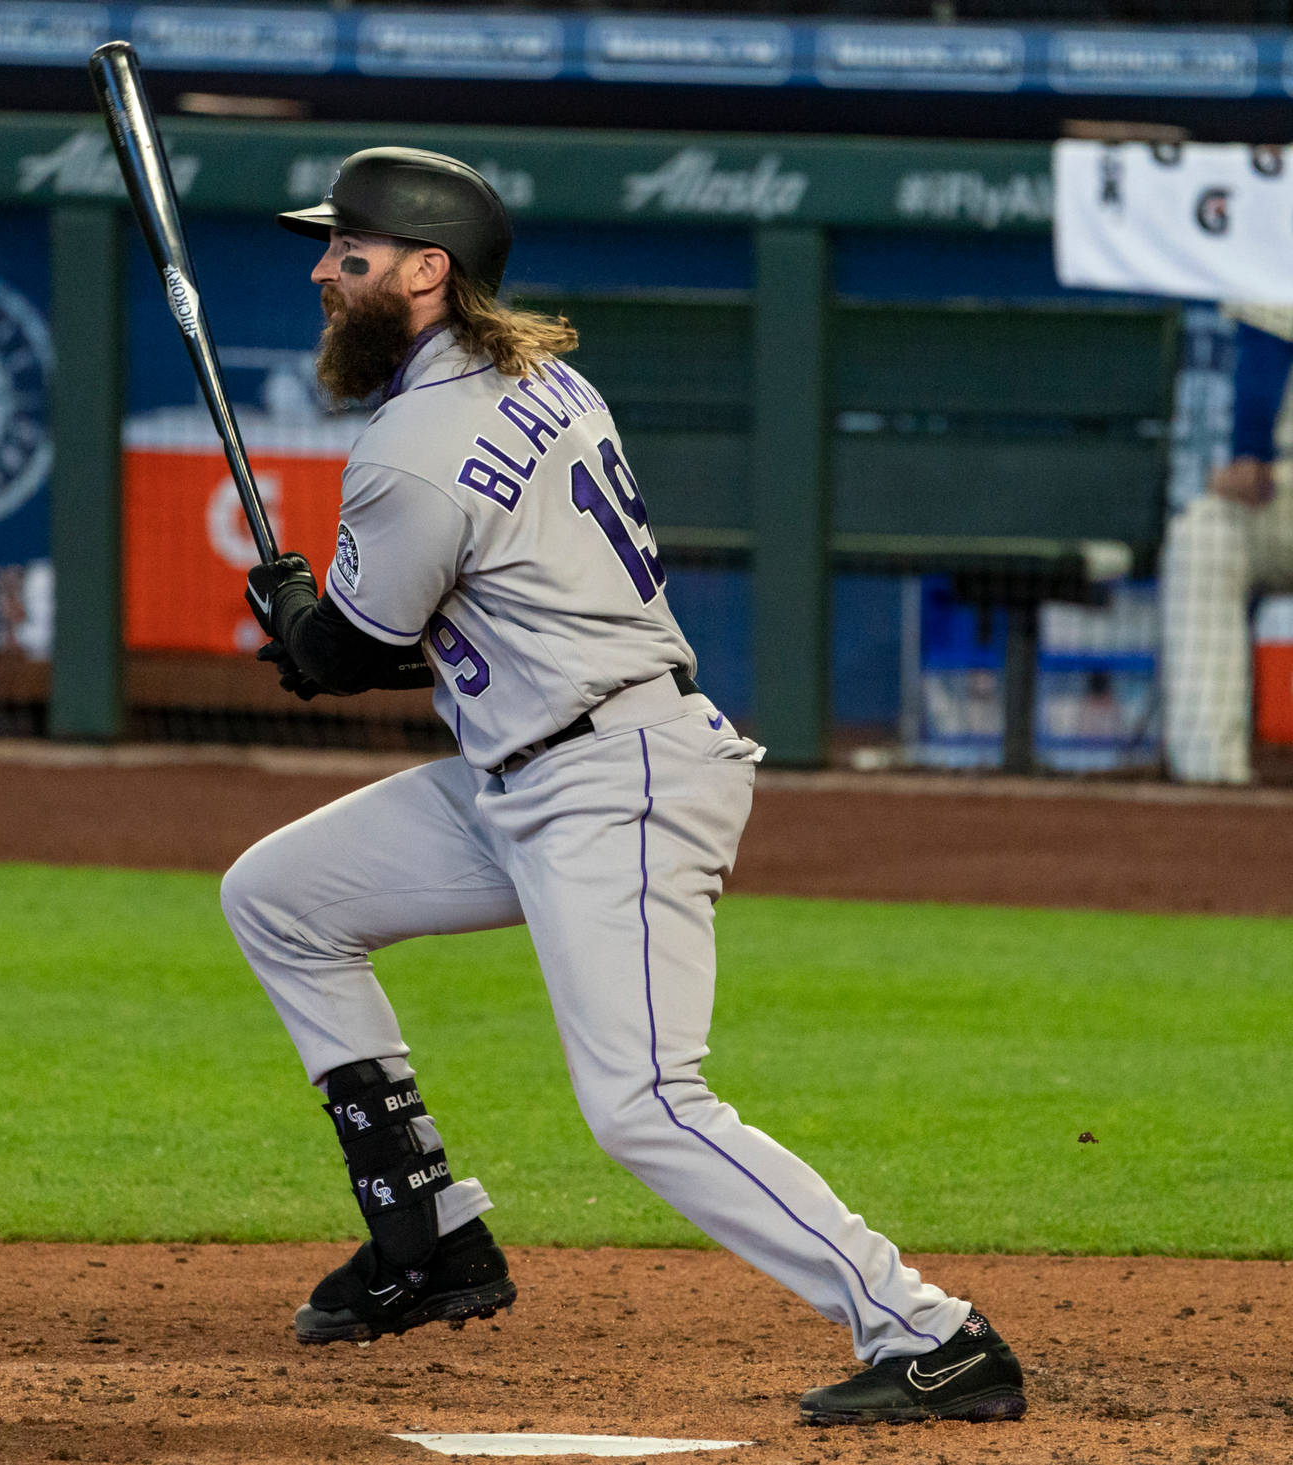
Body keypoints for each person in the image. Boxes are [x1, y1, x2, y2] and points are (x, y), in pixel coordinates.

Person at [219, 147, 1027, 1427]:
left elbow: (351, 657)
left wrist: (298, 616)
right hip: (534, 772)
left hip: (614, 781)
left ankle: (931, 1331)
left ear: (428, 271)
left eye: (350, 253)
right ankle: (425, 1235)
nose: (324, 271)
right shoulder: (534, 374)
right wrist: (313, 615)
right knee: (280, 896)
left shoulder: (415, 446)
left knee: (646, 1104)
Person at [1162, 305, 1293, 784]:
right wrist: (1250, 452)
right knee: (1202, 538)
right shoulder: (1279, 248)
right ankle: (1210, 776)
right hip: (1282, 489)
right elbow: (1267, 333)